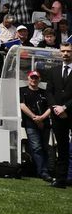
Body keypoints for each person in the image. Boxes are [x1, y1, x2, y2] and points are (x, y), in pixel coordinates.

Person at [46, 43, 72, 189]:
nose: (65, 54)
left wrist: (65, 107)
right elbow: (49, 92)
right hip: (57, 115)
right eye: (63, 51)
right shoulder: (53, 71)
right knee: (61, 148)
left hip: (69, 112)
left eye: (68, 51)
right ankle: (61, 180)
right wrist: (56, 107)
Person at [20, 70, 53, 183]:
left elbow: (51, 107)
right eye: (32, 77)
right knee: (36, 148)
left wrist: (42, 118)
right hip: (30, 124)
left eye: (36, 78)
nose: (34, 80)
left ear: (39, 79)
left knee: (44, 148)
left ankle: (44, 170)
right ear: (28, 78)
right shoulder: (22, 90)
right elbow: (22, 106)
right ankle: (43, 172)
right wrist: (35, 118)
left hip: (45, 123)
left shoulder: (45, 92)